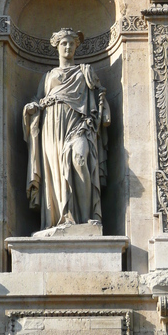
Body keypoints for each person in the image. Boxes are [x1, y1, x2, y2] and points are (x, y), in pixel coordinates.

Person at [23, 28, 111, 231]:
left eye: (72, 43)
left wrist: (100, 102)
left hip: (79, 125)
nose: (68, 47)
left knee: (80, 160)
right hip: (52, 128)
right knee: (55, 171)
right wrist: (31, 109)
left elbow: (100, 97)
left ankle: (87, 218)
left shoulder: (85, 71)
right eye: (64, 43)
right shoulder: (47, 76)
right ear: (57, 46)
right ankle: (60, 218)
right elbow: (38, 101)